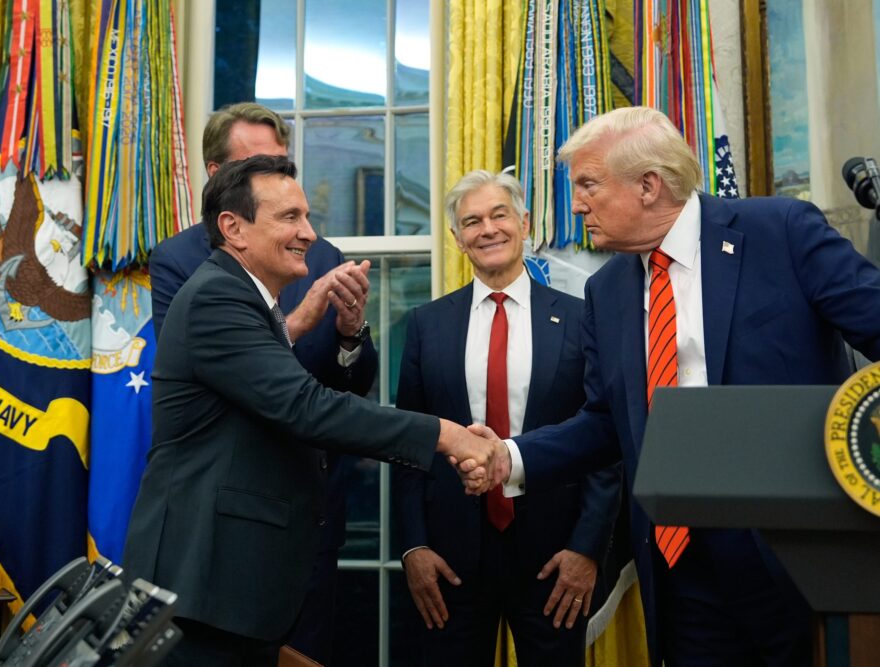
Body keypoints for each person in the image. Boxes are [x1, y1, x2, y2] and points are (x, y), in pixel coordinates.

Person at [465, 106, 880, 666]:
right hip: (678, 565)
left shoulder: (780, 232)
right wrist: (509, 457)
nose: (577, 204)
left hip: (794, 554)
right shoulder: (607, 290)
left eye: (588, 184)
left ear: (648, 185)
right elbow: (605, 422)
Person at [122, 155, 500, 666]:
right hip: (203, 584)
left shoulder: (245, 300)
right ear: (233, 228)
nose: (309, 233)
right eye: (290, 217)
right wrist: (447, 435)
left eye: (306, 216)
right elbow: (307, 407)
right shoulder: (217, 297)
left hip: (232, 587)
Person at [148, 102, 375, 662]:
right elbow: (235, 371)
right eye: (257, 162)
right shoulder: (183, 263)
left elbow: (351, 383)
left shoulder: (318, 253)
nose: (273, 172)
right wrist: (297, 321)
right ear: (217, 176)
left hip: (309, 507)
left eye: (281, 160)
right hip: (227, 526)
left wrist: (351, 333)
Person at [393, 170, 622, 665]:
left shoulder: (582, 317)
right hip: (449, 560)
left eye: (499, 215)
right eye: (472, 222)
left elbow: (605, 441)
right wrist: (413, 547)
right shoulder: (427, 325)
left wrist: (587, 548)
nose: (488, 229)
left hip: (555, 559)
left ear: (524, 223)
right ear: (457, 239)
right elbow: (408, 444)